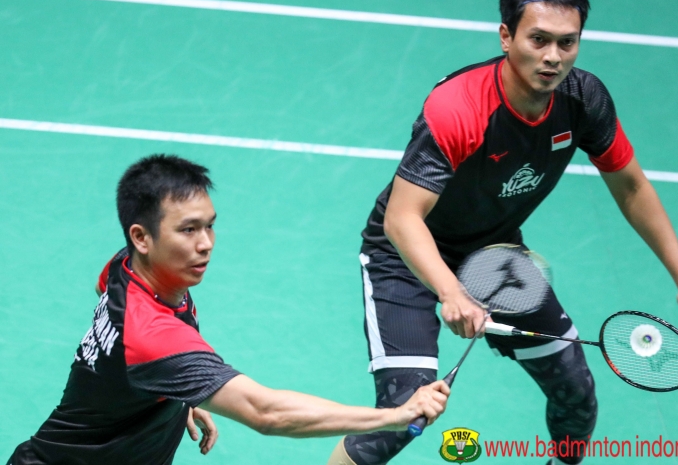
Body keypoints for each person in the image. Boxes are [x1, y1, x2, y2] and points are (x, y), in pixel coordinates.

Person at [327, 0, 678, 465]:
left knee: (575, 391)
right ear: (505, 36)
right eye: (538, 40)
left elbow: (630, 184)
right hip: (403, 258)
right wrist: (451, 293)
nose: (553, 57)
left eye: (568, 42)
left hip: (493, 254)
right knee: (402, 420)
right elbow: (402, 220)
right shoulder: (459, 108)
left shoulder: (584, 100)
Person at [7, 154, 450, 465]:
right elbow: (267, 412)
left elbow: (107, 306)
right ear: (141, 237)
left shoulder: (124, 268)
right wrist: (395, 414)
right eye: (188, 230)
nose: (205, 244)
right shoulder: (153, 337)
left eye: (209, 225)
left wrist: (173, 392)